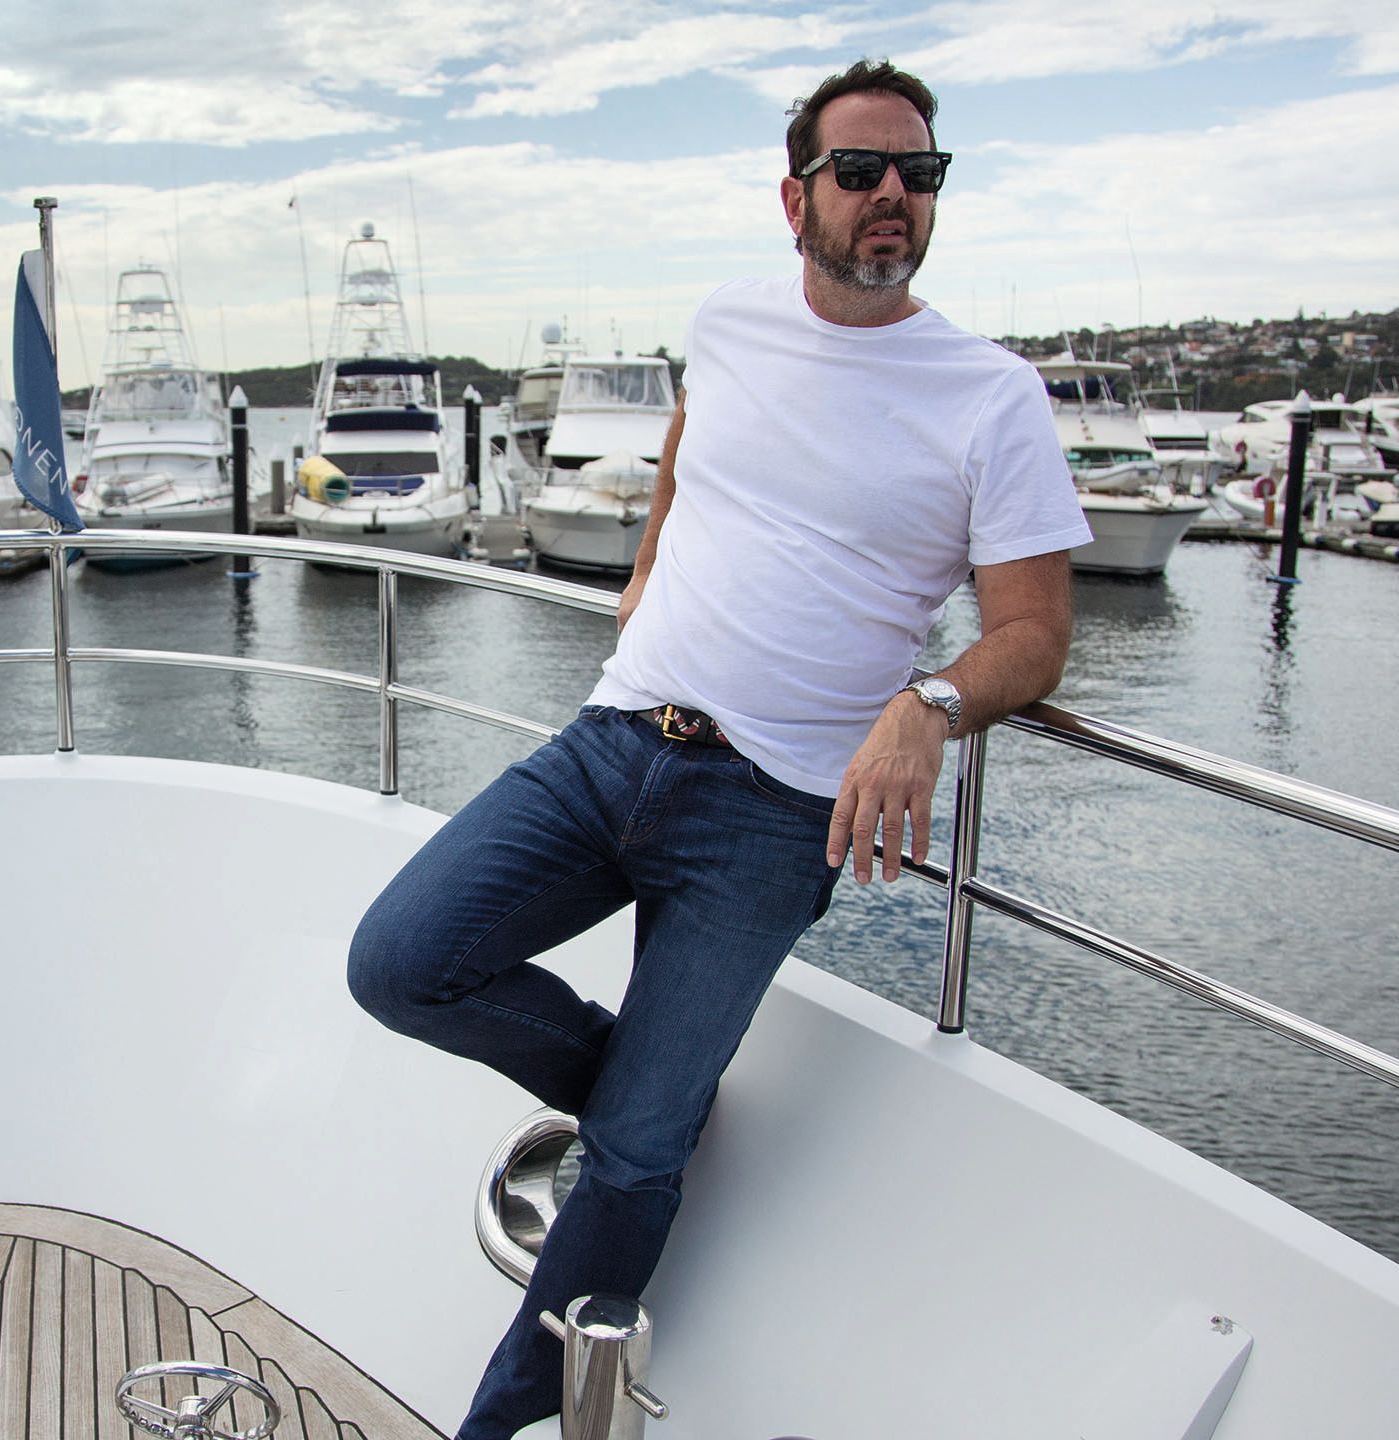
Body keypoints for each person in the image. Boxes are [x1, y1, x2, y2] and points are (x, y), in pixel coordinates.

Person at [345, 57, 1092, 1439]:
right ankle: (645, 1094)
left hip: (773, 813)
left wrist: (926, 708)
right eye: (861, 173)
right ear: (794, 195)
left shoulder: (990, 396)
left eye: (919, 178)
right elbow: (690, 461)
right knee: (398, 964)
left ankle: (500, 1422)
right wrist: (647, 583)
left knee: (629, 1167)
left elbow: (1037, 634)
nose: (892, 199)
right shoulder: (732, 322)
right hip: (615, 741)